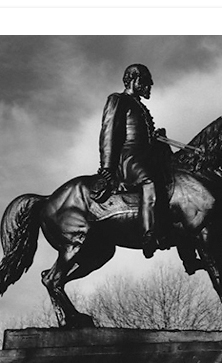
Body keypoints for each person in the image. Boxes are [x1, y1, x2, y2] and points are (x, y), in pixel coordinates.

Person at [92, 63, 165, 259]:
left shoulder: (139, 106)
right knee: (149, 181)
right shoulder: (118, 100)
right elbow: (108, 133)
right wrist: (107, 168)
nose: (149, 87)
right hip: (129, 159)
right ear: (135, 80)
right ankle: (148, 234)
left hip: (144, 158)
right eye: (147, 83)